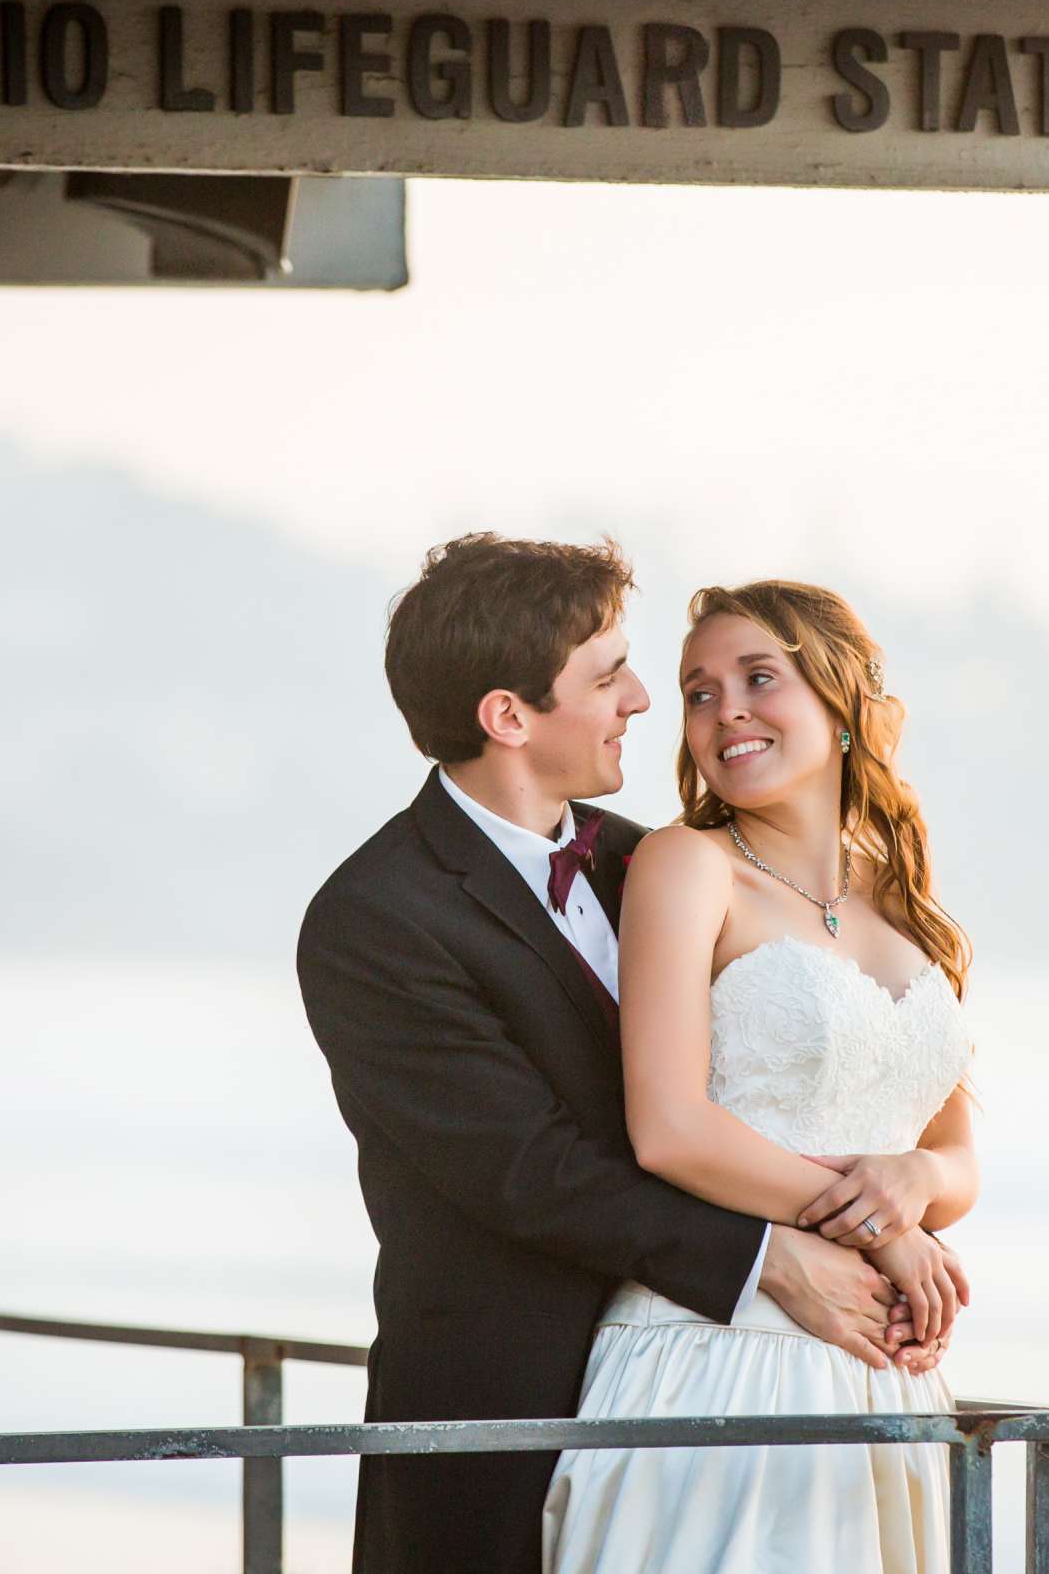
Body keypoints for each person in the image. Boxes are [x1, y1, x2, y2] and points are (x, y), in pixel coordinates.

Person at [296, 536, 939, 1574]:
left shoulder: (648, 860)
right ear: (509, 717)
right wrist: (769, 1259)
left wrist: (902, 1200)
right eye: (608, 675)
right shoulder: (374, 917)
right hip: (504, 1413)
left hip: (741, 1383)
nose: (643, 698)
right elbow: (529, 1171)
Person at [543, 578, 980, 1574]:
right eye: (699, 691)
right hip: (723, 1350)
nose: (723, 708)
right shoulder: (684, 865)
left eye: (758, 677)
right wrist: (883, 1226)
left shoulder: (907, 901)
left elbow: (956, 1153)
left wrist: (914, 1187)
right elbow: (669, 1126)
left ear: (841, 698)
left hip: (885, 1370)